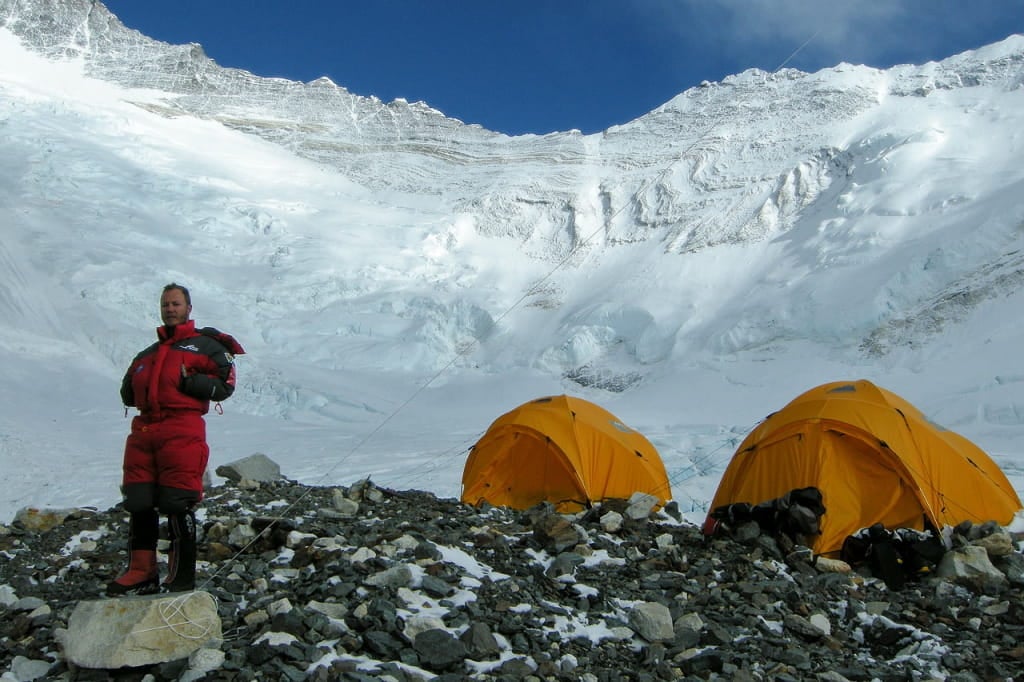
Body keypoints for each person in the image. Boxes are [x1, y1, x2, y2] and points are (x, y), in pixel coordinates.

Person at [107, 283, 245, 595]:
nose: (170, 309)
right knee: (139, 500)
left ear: (188, 309)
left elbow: (226, 384)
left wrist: (192, 382)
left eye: (176, 304)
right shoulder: (149, 353)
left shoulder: (205, 347)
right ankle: (140, 572)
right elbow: (128, 391)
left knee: (177, 500)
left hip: (182, 429)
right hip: (144, 431)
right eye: (166, 304)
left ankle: (180, 576)